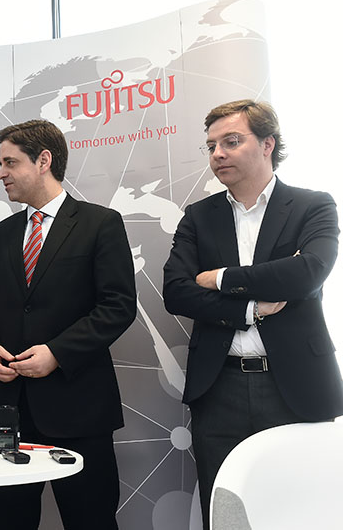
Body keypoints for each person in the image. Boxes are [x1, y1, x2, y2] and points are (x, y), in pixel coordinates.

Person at [163, 99, 343, 529]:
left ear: (267, 144)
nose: (217, 154)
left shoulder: (312, 205)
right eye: (211, 146)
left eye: (231, 141)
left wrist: (220, 278)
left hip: (293, 385)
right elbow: (176, 293)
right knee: (224, 510)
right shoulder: (199, 217)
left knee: (299, 510)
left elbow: (307, 274)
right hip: (219, 386)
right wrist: (251, 307)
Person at [0, 119, 137, 529]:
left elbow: (118, 307)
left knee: (91, 521)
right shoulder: (0, 235)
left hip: (79, 409)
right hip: (9, 410)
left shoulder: (101, 224)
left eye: (10, 162)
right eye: (0, 163)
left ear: (43, 161)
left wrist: (57, 353)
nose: (1, 173)